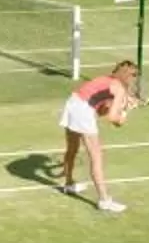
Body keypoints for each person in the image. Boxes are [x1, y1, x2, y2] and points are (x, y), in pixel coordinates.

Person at [56, 60, 139, 214]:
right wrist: (124, 113)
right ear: (126, 75)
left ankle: (68, 184)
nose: (134, 78)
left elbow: (101, 110)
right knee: (96, 156)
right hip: (82, 109)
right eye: (134, 75)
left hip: (72, 103)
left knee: (72, 149)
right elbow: (113, 119)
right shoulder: (119, 89)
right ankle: (104, 200)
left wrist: (122, 105)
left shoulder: (106, 80)